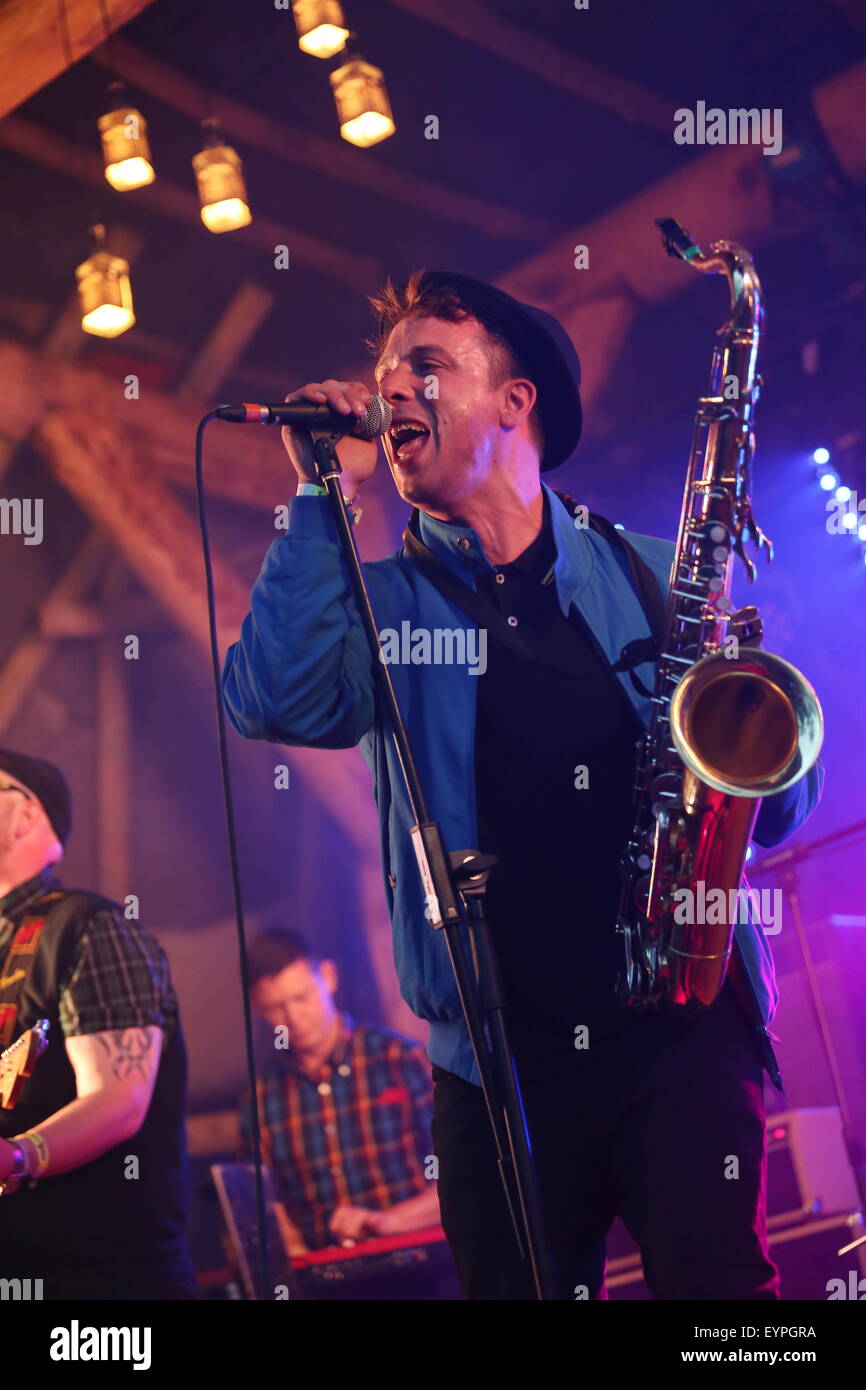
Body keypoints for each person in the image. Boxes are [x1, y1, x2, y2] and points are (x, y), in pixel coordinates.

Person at [221, 269, 824, 1300]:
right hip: (499, 1072)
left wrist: (743, 780)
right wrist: (322, 492)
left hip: (676, 1026)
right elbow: (276, 698)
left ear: (515, 400)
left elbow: (776, 796)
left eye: (426, 367)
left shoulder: (649, 573)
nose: (393, 391)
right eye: (383, 375)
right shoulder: (380, 605)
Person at [0, 748, 197, 1300]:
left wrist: (20, 1155)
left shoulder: (91, 926)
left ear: (28, 813)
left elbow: (119, 1100)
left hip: (104, 1285)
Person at [241, 927, 440, 1255]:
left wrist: (389, 1222)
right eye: (276, 1007)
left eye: (302, 997)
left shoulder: (401, 1061)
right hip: (326, 1284)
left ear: (328, 977)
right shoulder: (260, 1099)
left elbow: (467, 1178)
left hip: (423, 1268)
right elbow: (264, 1207)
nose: (294, 1017)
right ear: (258, 1008)